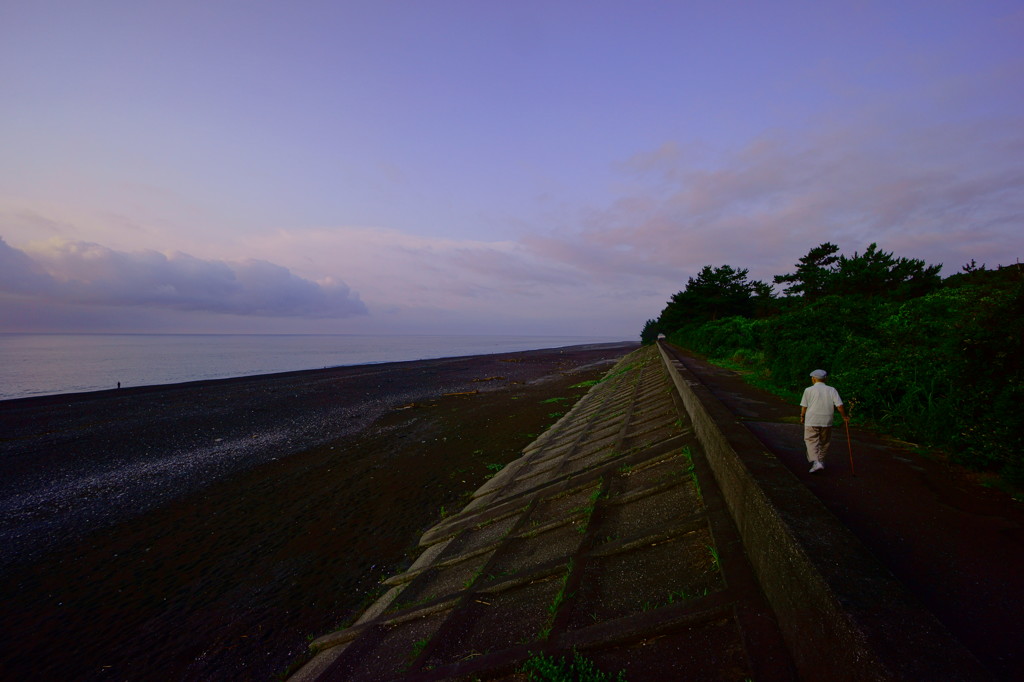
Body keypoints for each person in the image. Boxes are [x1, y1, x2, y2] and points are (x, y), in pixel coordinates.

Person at [799, 369, 848, 473]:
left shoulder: (808, 390)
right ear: (825, 378)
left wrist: (802, 416)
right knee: (824, 441)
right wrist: (844, 416)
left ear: (813, 379)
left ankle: (816, 462)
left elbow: (804, 406)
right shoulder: (832, 390)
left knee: (811, 440)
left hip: (812, 419)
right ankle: (820, 461)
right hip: (827, 420)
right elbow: (839, 406)